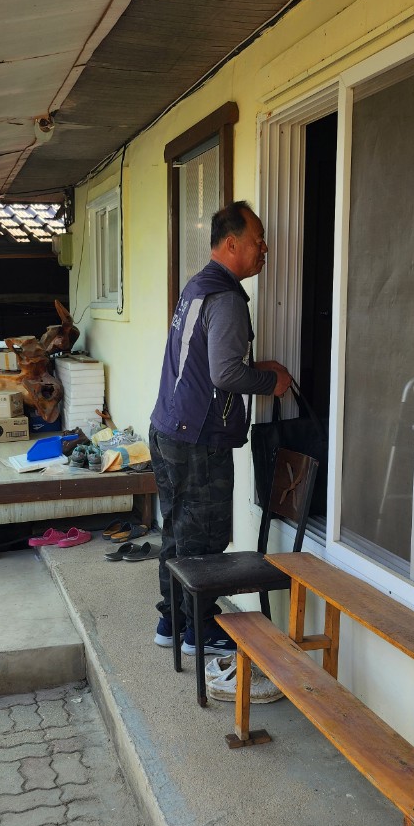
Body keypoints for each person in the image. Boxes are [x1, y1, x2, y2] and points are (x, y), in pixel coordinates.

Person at [149, 201, 293, 656]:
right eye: (258, 241)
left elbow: (209, 360)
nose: (264, 249)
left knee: (177, 531)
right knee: (204, 538)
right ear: (232, 244)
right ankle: (201, 630)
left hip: (168, 427)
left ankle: (172, 620)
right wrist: (270, 382)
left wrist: (256, 368)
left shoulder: (198, 286)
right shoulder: (227, 298)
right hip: (199, 439)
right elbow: (225, 374)